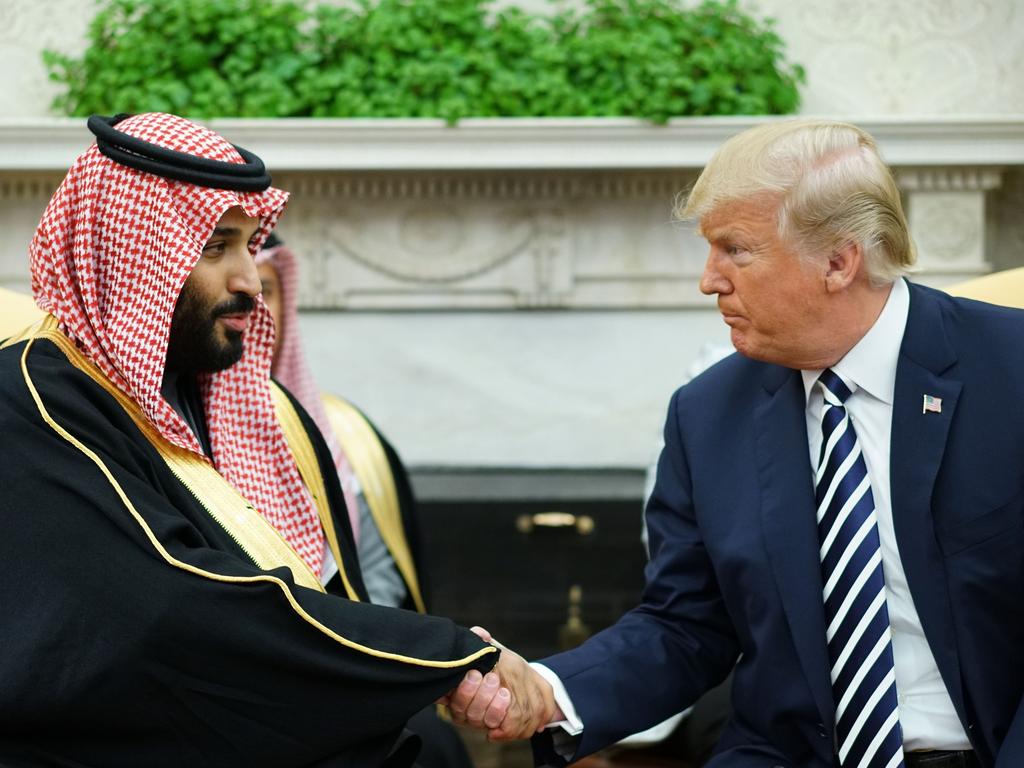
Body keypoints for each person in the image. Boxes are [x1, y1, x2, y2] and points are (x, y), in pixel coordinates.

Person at [450, 119, 1024, 768]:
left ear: (838, 261)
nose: (709, 281)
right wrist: (547, 690)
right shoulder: (708, 414)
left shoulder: (1011, 370)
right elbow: (685, 625)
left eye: (736, 250)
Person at [0, 112, 502, 768]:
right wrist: (445, 654)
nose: (247, 281)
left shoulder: (240, 404)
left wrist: (429, 665)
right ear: (133, 259)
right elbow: (175, 607)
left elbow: (329, 592)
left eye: (249, 245)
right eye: (216, 248)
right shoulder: (37, 399)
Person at [256, 235, 473, 768]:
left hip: (346, 655)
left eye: (266, 289)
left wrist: (352, 658)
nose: (252, 306)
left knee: (430, 743)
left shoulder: (342, 433)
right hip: (243, 674)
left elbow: (377, 576)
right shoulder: (166, 428)